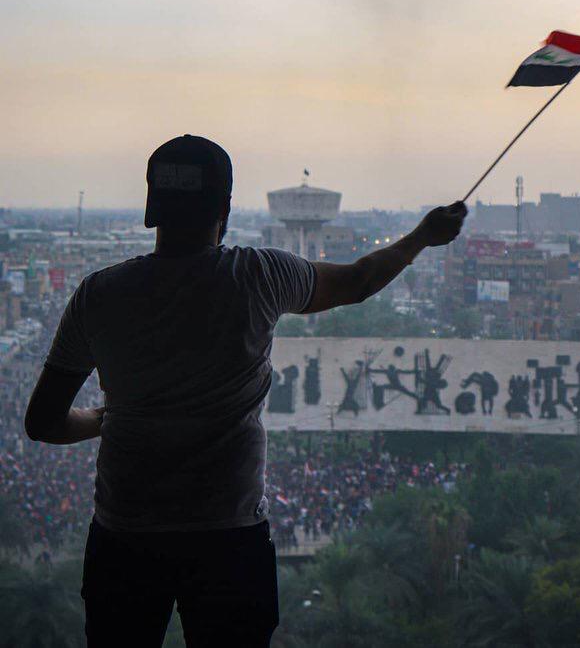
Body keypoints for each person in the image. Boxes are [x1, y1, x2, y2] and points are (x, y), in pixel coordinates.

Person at [23, 134, 467, 647]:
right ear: (225, 208)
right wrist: (422, 236)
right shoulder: (258, 275)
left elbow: (44, 423)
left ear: (152, 207)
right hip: (228, 538)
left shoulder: (98, 294)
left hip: (125, 539)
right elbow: (359, 280)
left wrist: (107, 418)